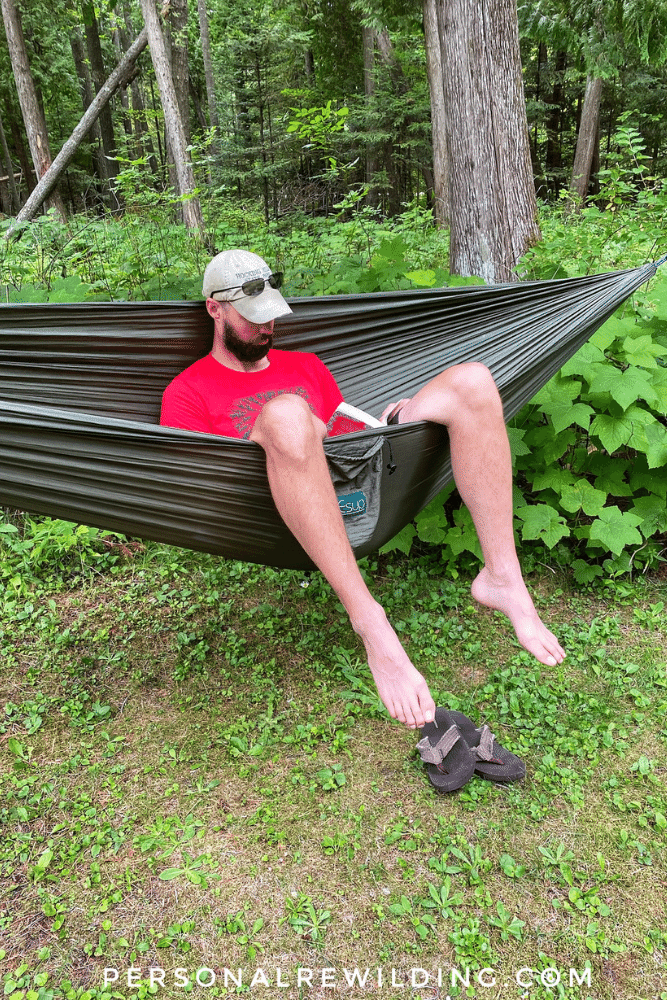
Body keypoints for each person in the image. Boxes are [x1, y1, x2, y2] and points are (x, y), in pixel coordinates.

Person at [161, 249, 565, 730]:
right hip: (272, 511)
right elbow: (198, 486)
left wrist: (393, 424)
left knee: (473, 382)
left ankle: (502, 576)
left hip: (357, 490)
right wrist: (287, 426)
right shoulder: (186, 393)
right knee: (288, 414)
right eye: (253, 320)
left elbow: (344, 439)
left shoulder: (307, 365)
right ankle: (371, 623)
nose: (267, 329)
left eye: (272, 317)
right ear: (215, 308)